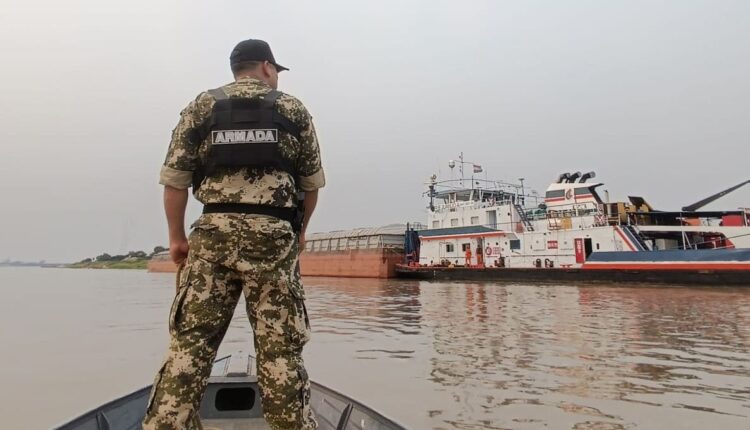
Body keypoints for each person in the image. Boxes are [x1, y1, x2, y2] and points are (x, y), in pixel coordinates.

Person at [142, 39, 324, 430]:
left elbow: (174, 182)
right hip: (273, 239)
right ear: (266, 67)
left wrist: (176, 239)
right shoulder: (293, 109)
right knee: (280, 353)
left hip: (212, 235)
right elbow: (311, 186)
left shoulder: (201, 107)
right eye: (275, 70)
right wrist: (301, 233)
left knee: (189, 346)